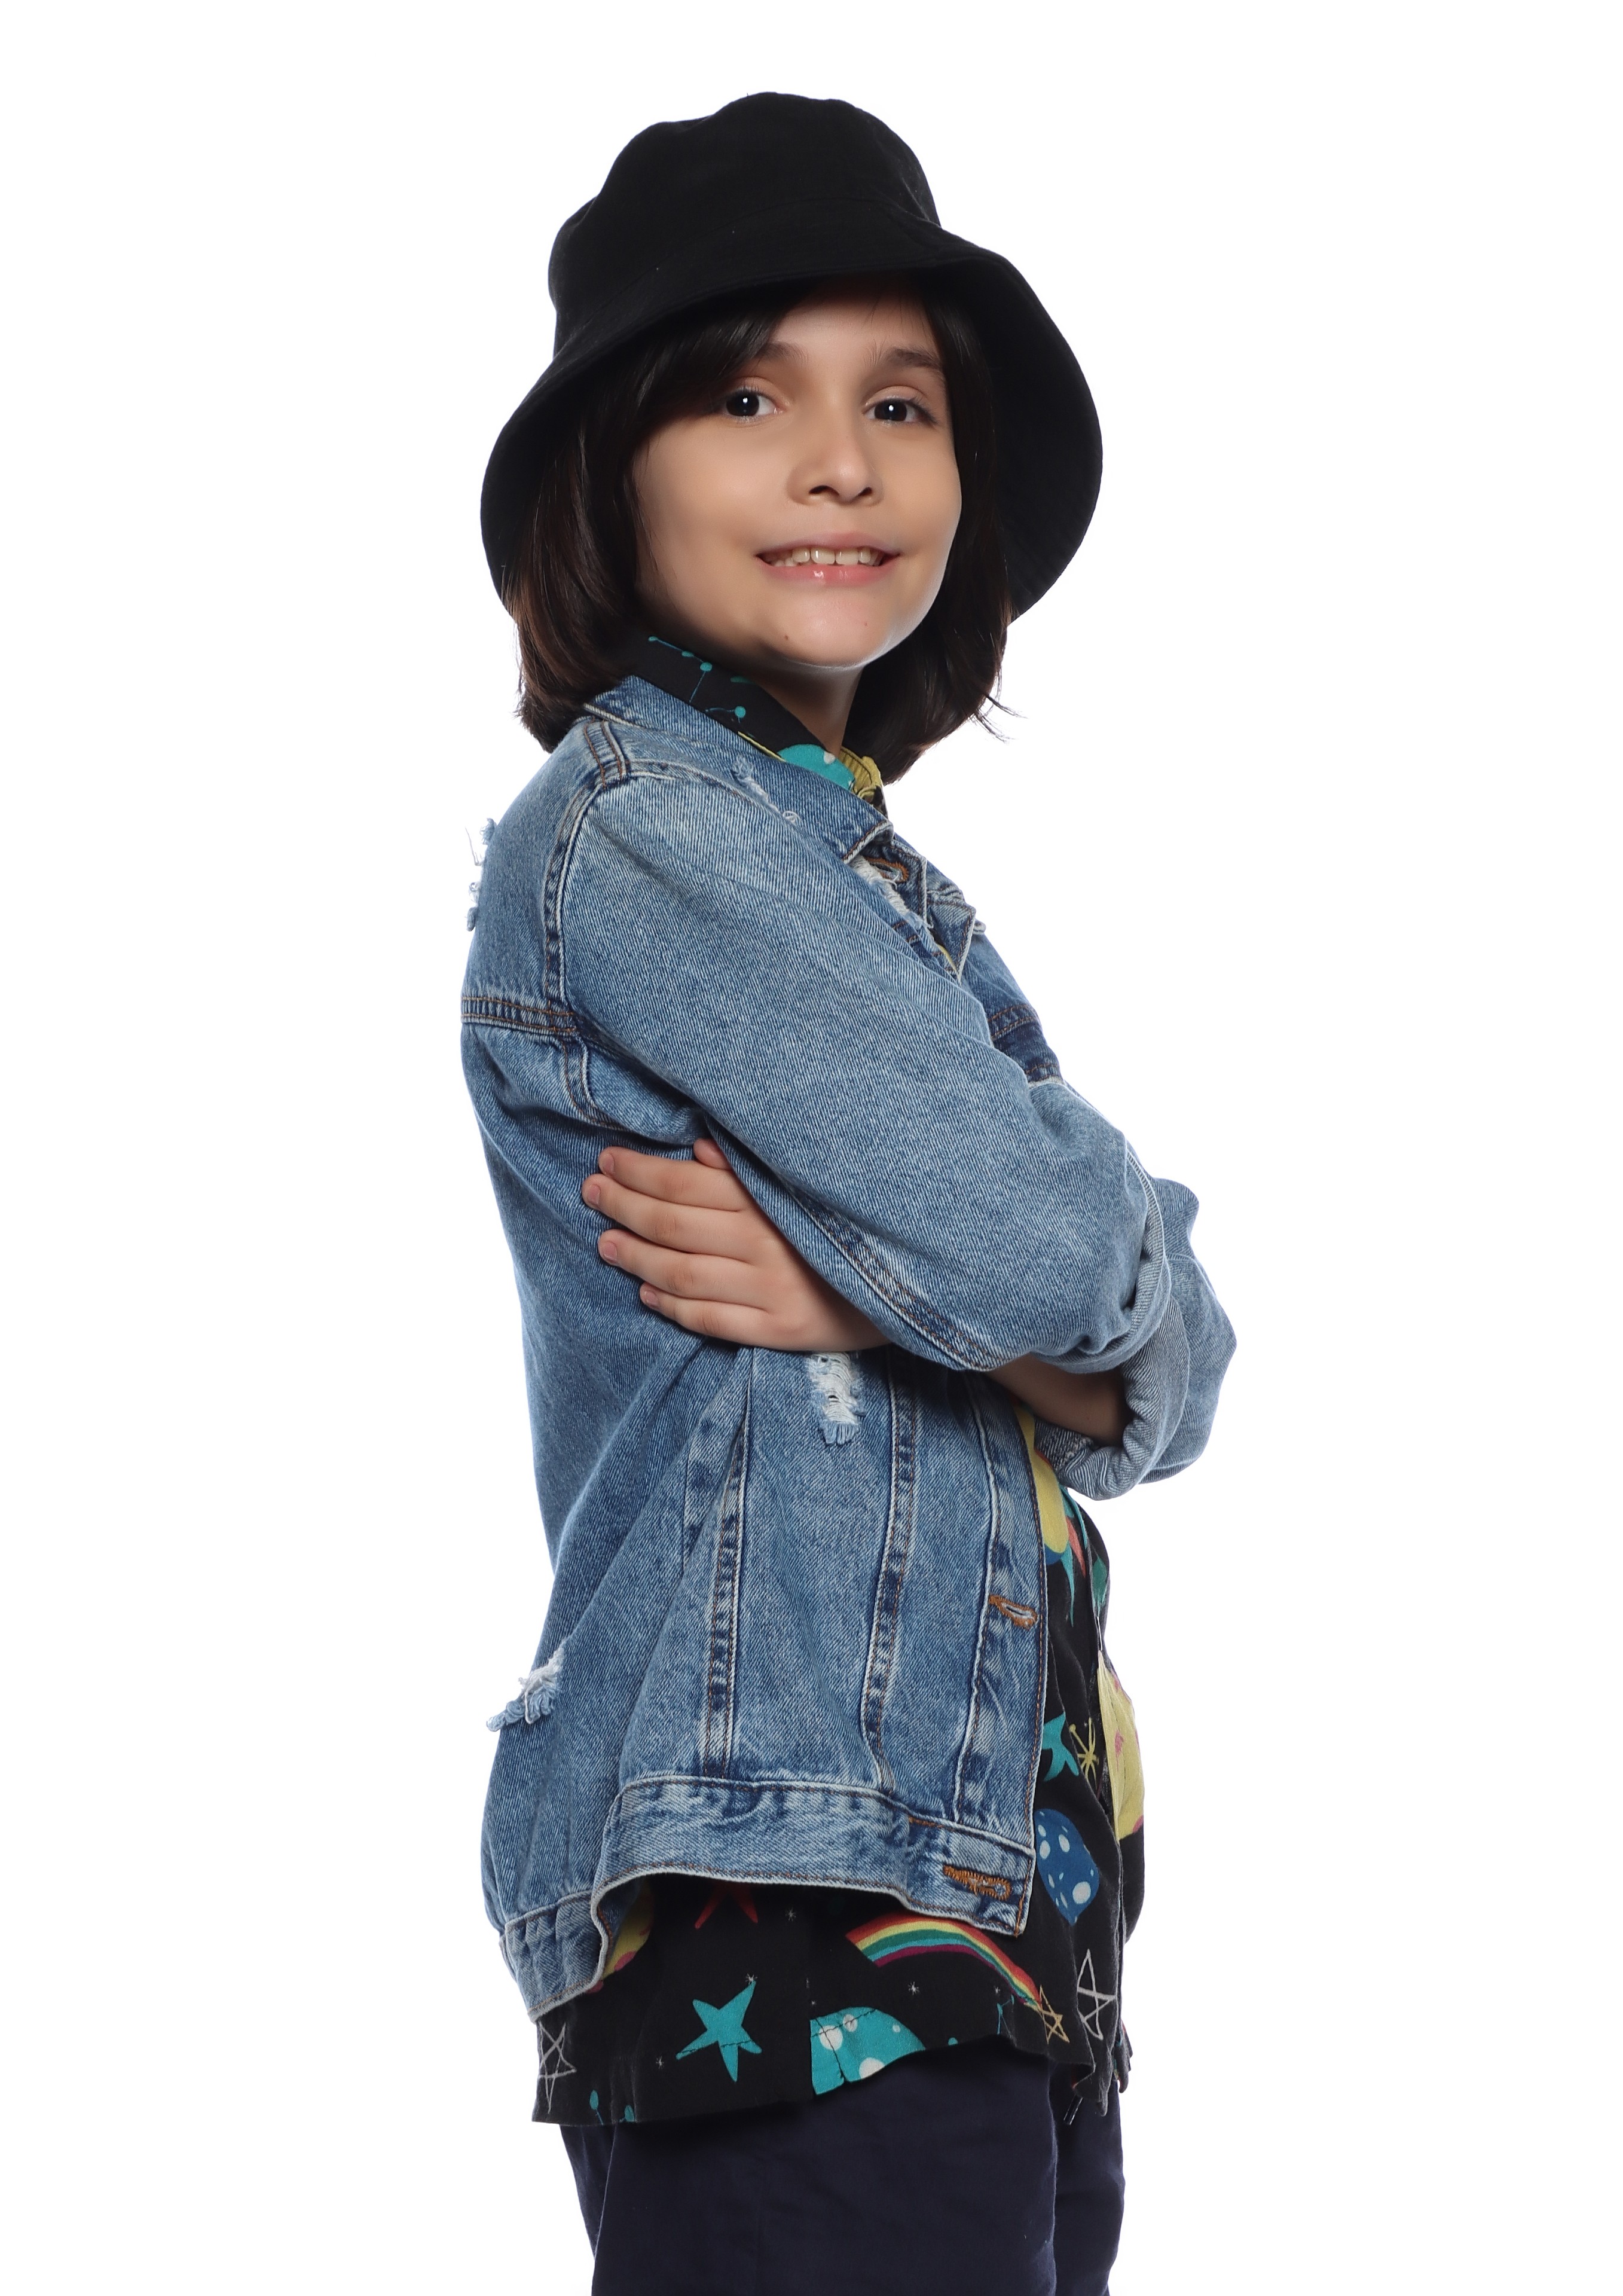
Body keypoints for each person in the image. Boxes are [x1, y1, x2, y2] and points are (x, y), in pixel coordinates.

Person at [463, 91, 1235, 2296]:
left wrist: (876, 1293)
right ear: (612, 472)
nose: (839, 463)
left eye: (899, 404)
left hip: (976, 1904)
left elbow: (1178, 1373)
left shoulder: (849, 869)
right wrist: (1007, 1308)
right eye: (745, 398)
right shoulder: (660, 830)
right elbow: (1067, 1255)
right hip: (793, 1899)